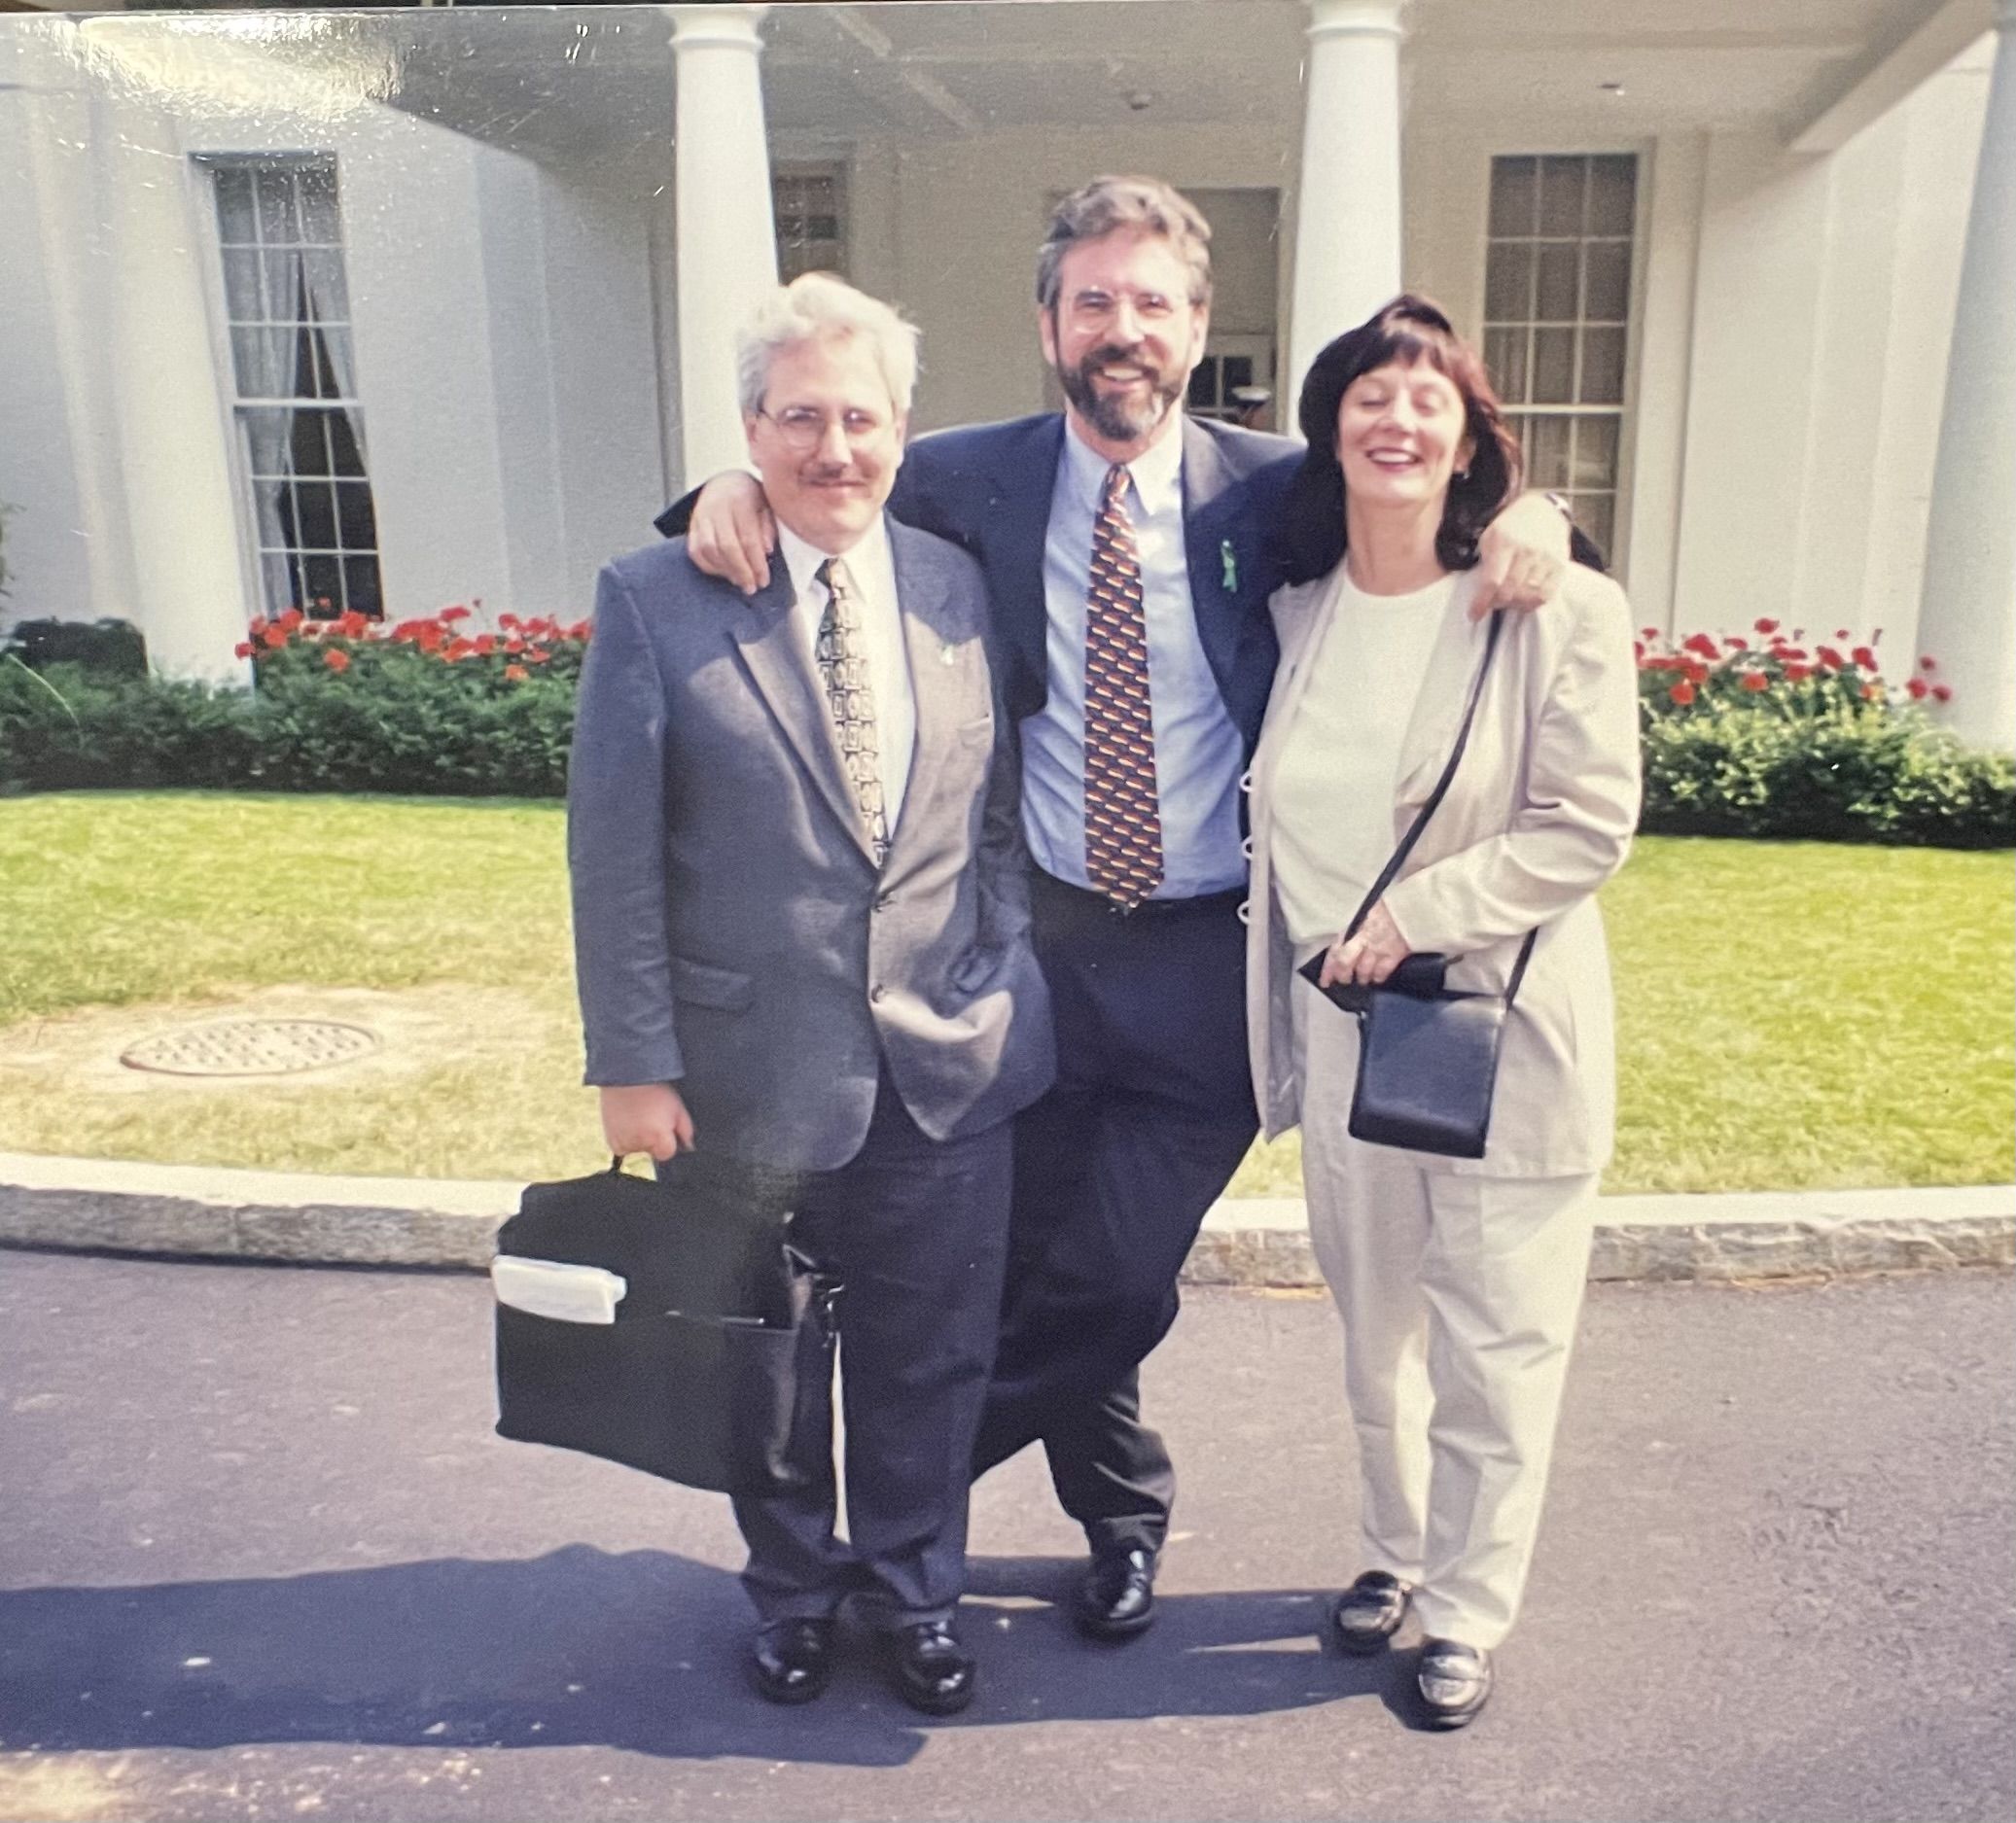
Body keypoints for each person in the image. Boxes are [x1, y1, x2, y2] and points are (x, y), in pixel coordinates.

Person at [665, 177, 1574, 1642]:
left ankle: (892, 1498)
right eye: (1092, 301)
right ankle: (1120, 1521)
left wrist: (1536, 510)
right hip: (1030, 950)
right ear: (1046, 325)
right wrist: (723, 486)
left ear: (1197, 325)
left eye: (1152, 304)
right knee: (1035, 1259)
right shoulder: (971, 474)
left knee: (1111, 1271)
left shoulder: (1274, 484)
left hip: (1205, 966)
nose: (1122, 332)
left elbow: (1432, 480)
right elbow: (820, 465)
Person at [569, 273, 1054, 1715]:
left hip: (944, 1063)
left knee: (929, 1358)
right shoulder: (657, 600)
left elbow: (996, 819)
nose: (831, 449)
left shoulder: (958, 587)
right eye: (797, 419)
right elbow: (613, 859)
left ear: (903, 427)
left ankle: (913, 1596)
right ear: (749, 430)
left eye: (859, 417)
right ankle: (789, 1591)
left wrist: (995, 962)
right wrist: (632, 1064)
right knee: (762, 1367)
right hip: (740, 1069)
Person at [1243, 295, 1641, 1728]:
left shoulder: (1550, 606)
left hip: (1499, 1043)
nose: (1396, 420)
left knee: (1499, 1344)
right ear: (1329, 424)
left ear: (1472, 437)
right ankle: (1390, 1552)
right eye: (1369, 393)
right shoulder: (1298, 609)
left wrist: (1418, 912)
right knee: (1373, 1338)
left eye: (1430, 399)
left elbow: (1585, 825)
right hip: (1349, 1053)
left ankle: (1466, 1607)